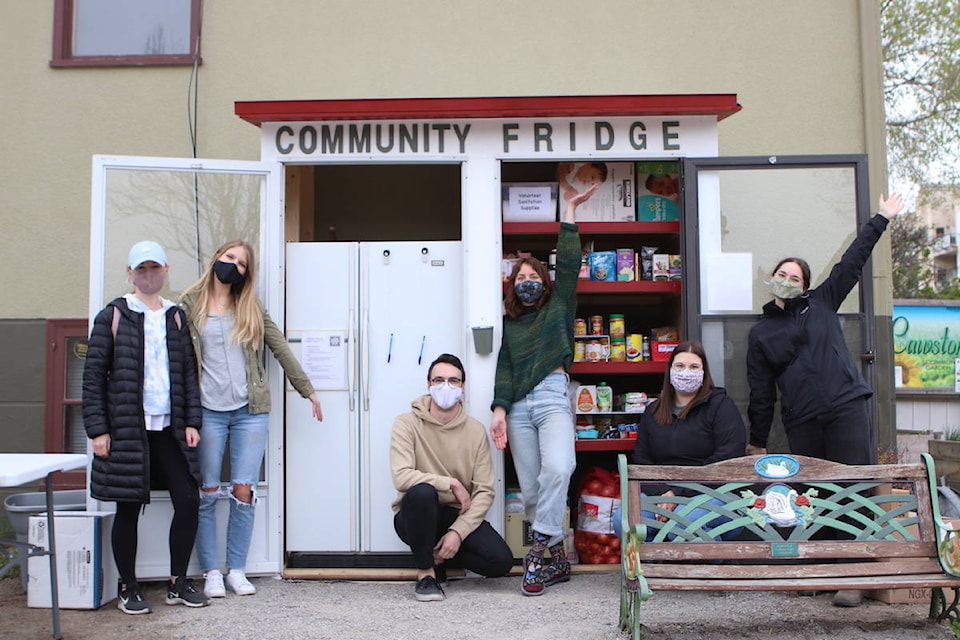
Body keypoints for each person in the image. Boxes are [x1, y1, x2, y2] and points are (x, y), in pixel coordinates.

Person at [745, 192, 904, 607]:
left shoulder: (822, 302)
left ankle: (853, 575)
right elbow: (761, 391)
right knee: (812, 495)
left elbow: (852, 260)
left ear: (806, 285)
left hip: (845, 409)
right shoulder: (761, 333)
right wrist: (757, 440)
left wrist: (881, 218)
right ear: (771, 277)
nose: (788, 279)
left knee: (853, 489)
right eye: (782, 273)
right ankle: (824, 569)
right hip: (803, 421)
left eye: (796, 277)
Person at [179, 239, 324, 599]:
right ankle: (211, 571)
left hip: (249, 412)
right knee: (208, 491)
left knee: (244, 490)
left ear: (246, 273)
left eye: (242, 263)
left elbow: (280, 346)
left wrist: (308, 390)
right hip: (208, 412)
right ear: (216, 258)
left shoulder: (250, 308)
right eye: (229, 258)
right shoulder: (188, 306)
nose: (233, 265)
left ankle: (236, 569)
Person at [82, 240, 208, 615]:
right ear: (130, 273)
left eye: (155, 268)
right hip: (126, 430)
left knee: (188, 501)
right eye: (141, 269)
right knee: (128, 507)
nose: (148, 275)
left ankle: (177, 581)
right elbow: (93, 377)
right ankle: (129, 586)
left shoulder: (176, 317)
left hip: (169, 429)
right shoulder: (113, 315)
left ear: (166, 271)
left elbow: (187, 375)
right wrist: (98, 430)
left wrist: (192, 422)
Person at [490, 183, 597, 596]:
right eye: (522, 277)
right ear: (512, 285)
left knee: (559, 468)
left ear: (545, 282)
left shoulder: (558, 307)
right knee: (532, 488)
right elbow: (504, 367)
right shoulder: (512, 325)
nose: (528, 281)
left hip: (552, 397)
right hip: (517, 406)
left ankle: (536, 552)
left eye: (534, 276)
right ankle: (556, 563)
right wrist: (499, 408)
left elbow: (569, 264)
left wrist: (568, 210)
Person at [390, 354, 513, 602]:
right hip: (416, 513)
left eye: (453, 381)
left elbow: (485, 491)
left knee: (501, 562)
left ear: (463, 387)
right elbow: (401, 477)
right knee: (423, 491)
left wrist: (457, 532)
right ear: (428, 385)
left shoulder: (475, 430)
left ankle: (437, 557)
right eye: (439, 380)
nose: (445, 386)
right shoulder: (406, 423)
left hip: (456, 514)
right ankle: (426, 575)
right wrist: (451, 483)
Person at [625, 341, 746, 541]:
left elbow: (727, 459)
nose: (686, 372)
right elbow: (641, 459)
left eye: (694, 367)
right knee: (626, 519)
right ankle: (658, 567)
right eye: (680, 366)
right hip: (660, 494)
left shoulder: (721, 406)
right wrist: (664, 493)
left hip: (714, 494)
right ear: (670, 370)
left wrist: (677, 492)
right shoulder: (653, 411)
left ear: (704, 372)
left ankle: (707, 568)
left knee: (682, 523)